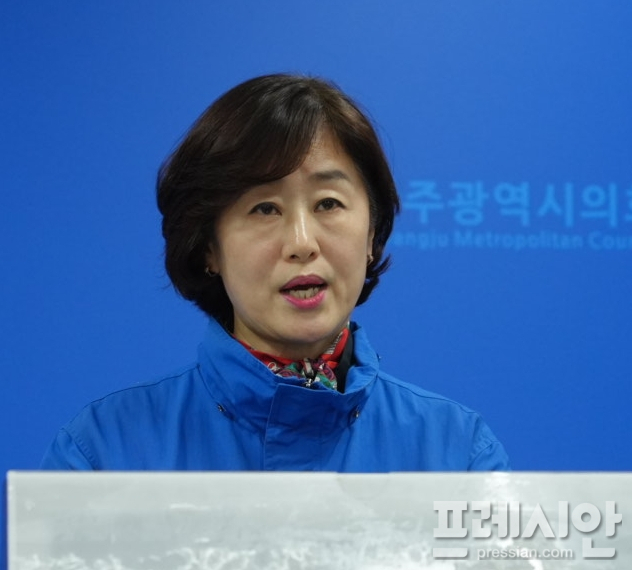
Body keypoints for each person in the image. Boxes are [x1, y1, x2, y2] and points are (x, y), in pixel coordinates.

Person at [41, 73, 509, 471]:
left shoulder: (458, 454)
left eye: (328, 203)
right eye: (265, 209)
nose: (302, 243)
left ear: (372, 232)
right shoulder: (104, 453)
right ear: (209, 248)